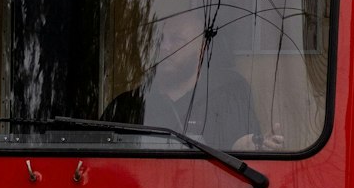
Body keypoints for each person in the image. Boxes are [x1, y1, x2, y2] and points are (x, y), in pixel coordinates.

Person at [103, 11, 285, 152]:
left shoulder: (229, 97)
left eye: (177, 40)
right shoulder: (125, 105)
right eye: (159, 39)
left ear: (202, 48)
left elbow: (241, 152)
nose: (164, 47)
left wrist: (246, 150)